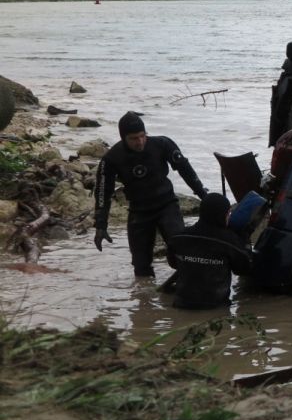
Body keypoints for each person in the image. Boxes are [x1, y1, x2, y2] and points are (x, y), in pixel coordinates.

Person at [93, 111, 207, 277]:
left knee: (182, 250)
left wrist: (204, 196)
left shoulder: (162, 144)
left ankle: (187, 285)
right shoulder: (111, 158)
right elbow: (103, 192)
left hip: (167, 206)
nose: (140, 142)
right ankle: (144, 298)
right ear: (123, 137)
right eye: (133, 138)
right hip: (139, 211)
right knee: (140, 264)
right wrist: (101, 225)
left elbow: (185, 169)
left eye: (142, 136)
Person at [168, 193, 252, 309]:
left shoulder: (178, 237)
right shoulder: (229, 241)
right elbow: (244, 269)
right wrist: (245, 241)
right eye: (228, 213)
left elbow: (173, 264)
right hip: (216, 307)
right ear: (222, 215)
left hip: (181, 304)